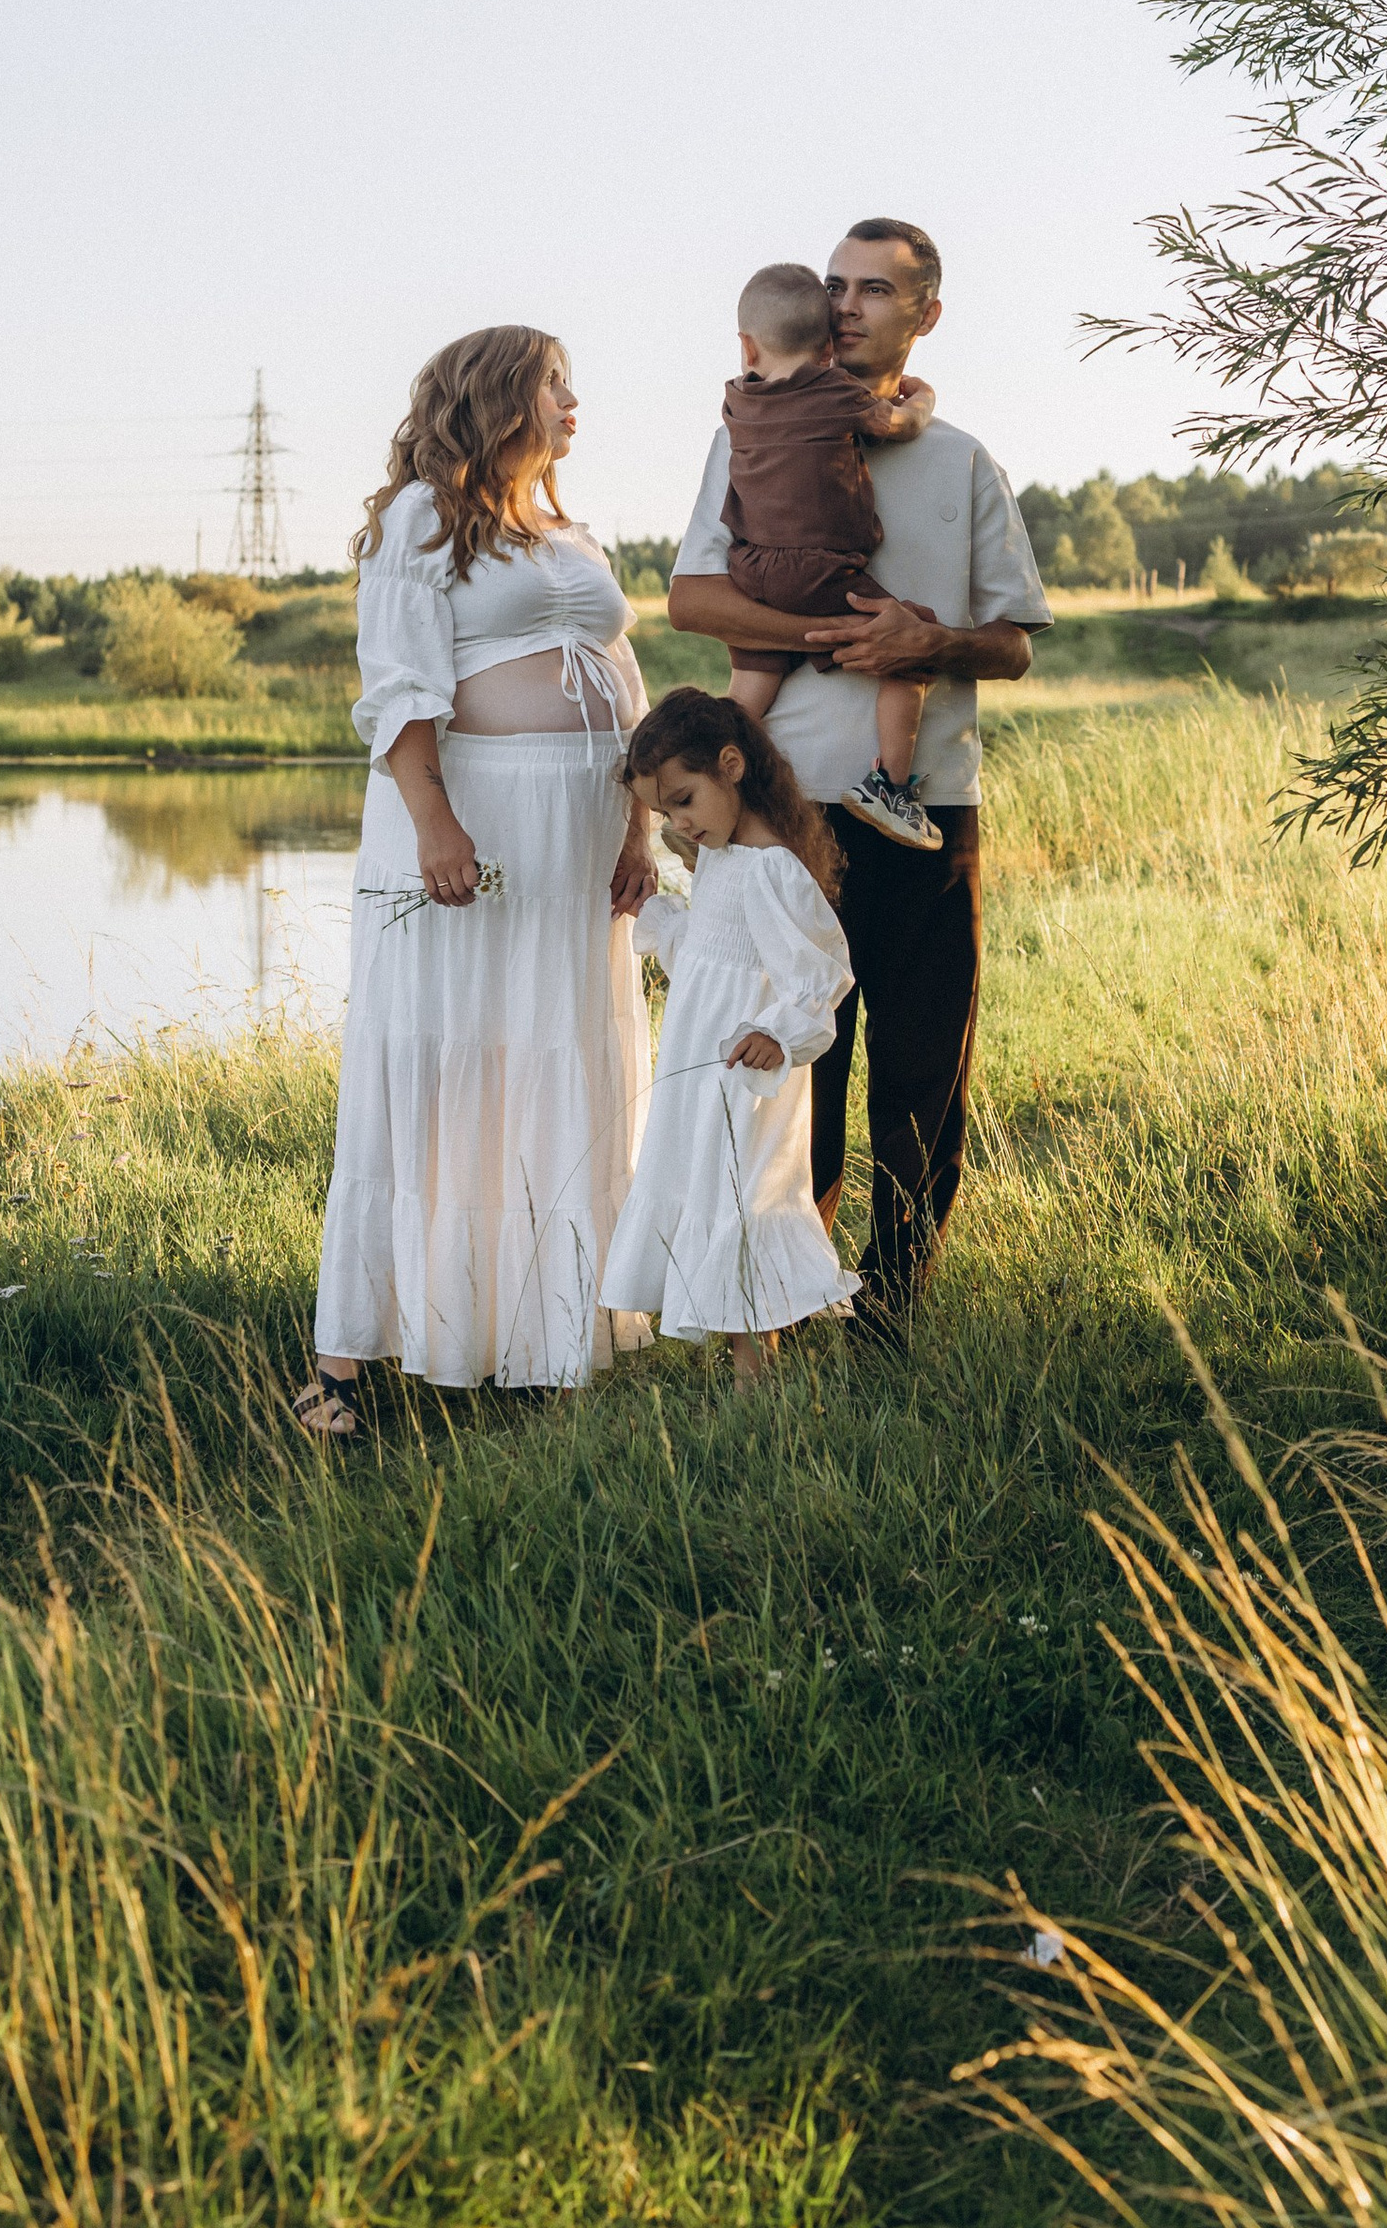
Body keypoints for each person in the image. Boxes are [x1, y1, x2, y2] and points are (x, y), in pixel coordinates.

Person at [668, 220, 1051, 1339]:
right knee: (797, 1078)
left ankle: (894, 1309)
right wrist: (838, 633)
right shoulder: (744, 434)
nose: (844, 304)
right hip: (784, 821)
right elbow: (693, 602)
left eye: (873, 290)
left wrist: (923, 646)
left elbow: (1014, 644)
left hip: (926, 812)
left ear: (924, 314)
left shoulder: (961, 460)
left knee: (923, 1074)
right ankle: (784, 1302)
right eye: (832, 285)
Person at [304, 326, 656, 1424]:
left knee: (560, 1056)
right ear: (500, 398)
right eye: (555, 383)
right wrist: (435, 823)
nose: (573, 402)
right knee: (447, 1061)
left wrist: (640, 826)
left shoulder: (569, 531)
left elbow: (625, 681)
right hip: (477, 818)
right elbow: (397, 687)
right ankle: (344, 1371)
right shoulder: (421, 519)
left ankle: (548, 1336)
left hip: (584, 830)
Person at [602, 687, 858, 1384]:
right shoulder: (722, 858)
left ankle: (756, 1370)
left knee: (744, 1201)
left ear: (732, 766)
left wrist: (779, 1033)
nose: (677, 823)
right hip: (701, 1065)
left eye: (684, 800)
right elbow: (710, 957)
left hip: (748, 1076)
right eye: (663, 812)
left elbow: (821, 974)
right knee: (711, 1191)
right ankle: (745, 1360)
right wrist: (655, 914)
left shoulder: (772, 869)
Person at [717, 257, 941, 850]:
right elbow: (897, 424)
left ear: (747, 348)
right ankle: (889, 786)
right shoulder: (834, 392)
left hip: (753, 568)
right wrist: (924, 398)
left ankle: (711, 791)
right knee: (911, 646)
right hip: (821, 569)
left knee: (751, 685)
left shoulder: (737, 404)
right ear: (827, 351)